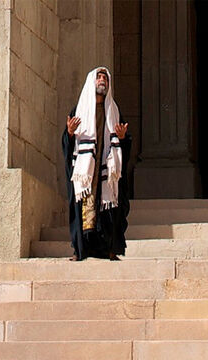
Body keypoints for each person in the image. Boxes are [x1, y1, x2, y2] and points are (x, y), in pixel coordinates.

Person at [62, 67, 131, 261]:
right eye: (99, 77)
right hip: (86, 172)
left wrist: (123, 138)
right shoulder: (79, 111)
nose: (103, 81)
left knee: (109, 209)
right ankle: (81, 250)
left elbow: (125, 142)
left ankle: (109, 249)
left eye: (105, 78)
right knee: (83, 208)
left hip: (106, 172)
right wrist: (69, 133)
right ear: (92, 81)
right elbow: (67, 145)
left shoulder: (114, 112)